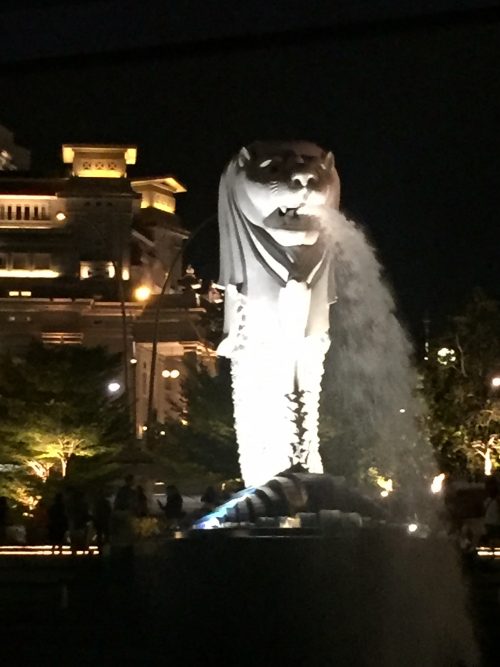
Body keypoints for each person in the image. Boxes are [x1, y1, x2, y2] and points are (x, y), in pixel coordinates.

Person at [483, 478, 500, 545]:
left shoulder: (487, 501)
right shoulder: (495, 501)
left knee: (492, 541)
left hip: (489, 524)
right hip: (495, 525)